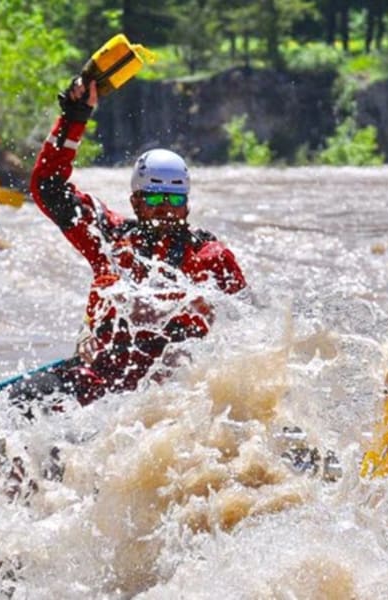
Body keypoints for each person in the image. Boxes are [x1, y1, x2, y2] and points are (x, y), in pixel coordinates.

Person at [26, 78, 247, 409]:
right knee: (28, 400)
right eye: (155, 197)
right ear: (135, 202)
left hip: (171, 396)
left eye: (174, 198)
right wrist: (74, 116)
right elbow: (48, 187)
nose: (165, 207)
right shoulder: (109, 237)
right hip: (98, 381)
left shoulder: (211, 256)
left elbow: (254, 330)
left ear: (187, 204)